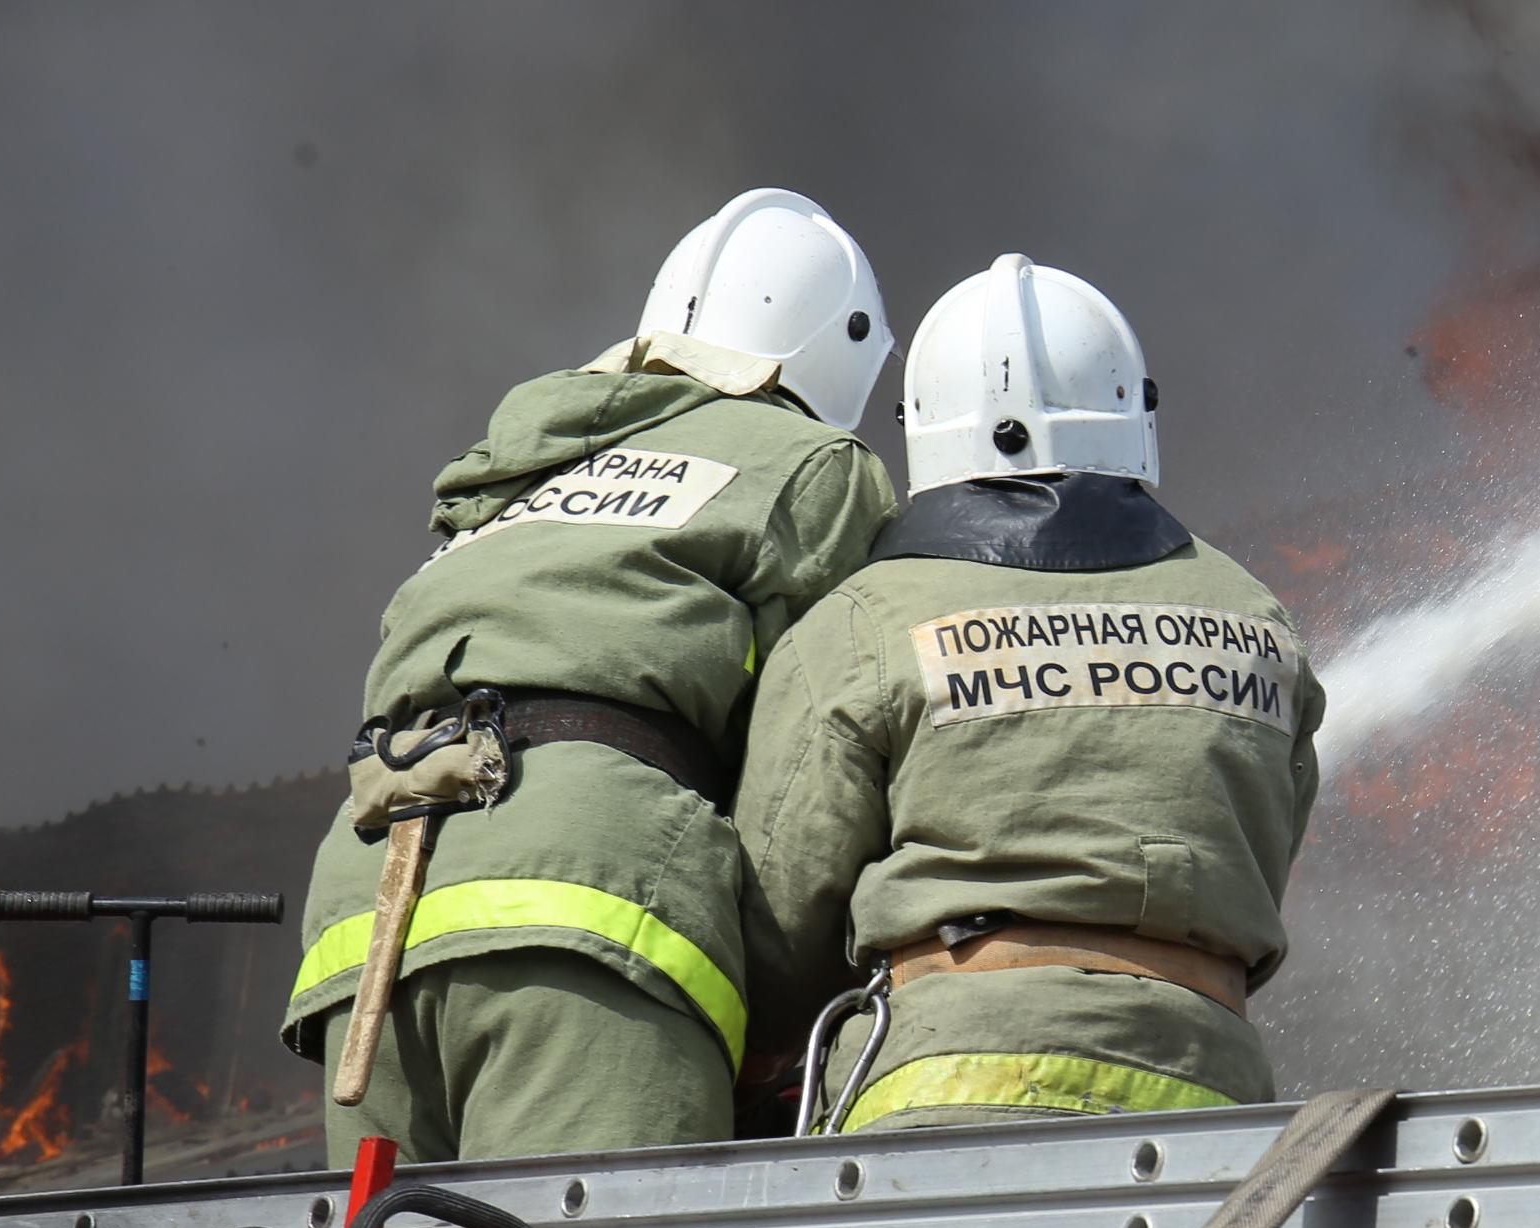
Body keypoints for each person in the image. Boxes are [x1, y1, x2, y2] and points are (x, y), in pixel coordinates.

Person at [279, 188, 900, 1161]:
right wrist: (780, 1001)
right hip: (584, 901)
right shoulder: (810, 463)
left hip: (369, 912)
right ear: (843, 351)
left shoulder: (521, 471)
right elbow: (817, 754)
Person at [739, 254, 1320, 1132]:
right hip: (1208, 1101)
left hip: (938, 1094)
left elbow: (777, 932)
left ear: (923, 428)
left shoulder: (863, 618)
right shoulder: (1253, 613)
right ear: (1133, 411)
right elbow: (1258, 862)